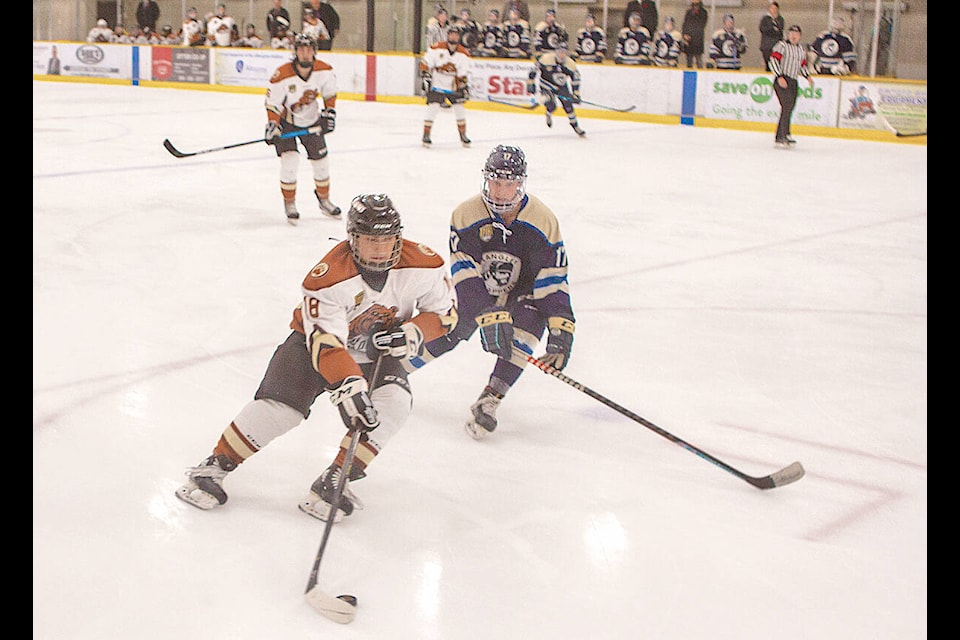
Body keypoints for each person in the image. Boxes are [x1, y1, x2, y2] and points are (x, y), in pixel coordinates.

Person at [175, 193, 458, 523]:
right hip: (313, 346)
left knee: (393, 403)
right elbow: (327, 344)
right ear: (353, 239)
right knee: (280, 410)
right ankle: (214, 465)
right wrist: (350, 387)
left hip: (373, 350)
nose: (380, 249)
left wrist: (411, 333)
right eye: (370, 240)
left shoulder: (425, 264)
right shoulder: (327, 278)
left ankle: (336, 478)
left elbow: (446, 315)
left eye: (387, 239)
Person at [402, 144, 576, 440]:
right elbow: (464, 271)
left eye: (507, 184)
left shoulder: (543, 221)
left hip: (522, 298)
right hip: (476, 293)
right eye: (495, 182)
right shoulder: (466, 214)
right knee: (450, 332)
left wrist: (561, 328)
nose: (498, 191)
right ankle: (394, 372)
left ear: (520, 184)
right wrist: (485, 311)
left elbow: (551, 278)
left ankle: (490, 398)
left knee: (524, 336)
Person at [264, 34, 340, 223]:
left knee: (321, 162)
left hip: (312, 121)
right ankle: (289, 203)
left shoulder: (324, 70)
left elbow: (330, 93)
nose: (305, 53)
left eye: (309, 49)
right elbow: (272, 103)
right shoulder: (282, 74)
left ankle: (324, 200)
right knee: (290, 160)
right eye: (301, 49)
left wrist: (329, 113)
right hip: (287, 123)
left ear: (314, 51)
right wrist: (273, 125)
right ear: (295, 52)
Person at [419, 24, 472, 148]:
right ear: (448, 35)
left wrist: (462, 85)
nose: (453, 36)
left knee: (459, 108)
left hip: (453, 86)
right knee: (433, 107)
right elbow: (425, 62)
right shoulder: (437, 48)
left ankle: (463, 135)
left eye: (456, 34)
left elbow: (463, 73)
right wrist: (426, 76)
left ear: (459, 37)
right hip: (437, 84)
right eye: (451, 34)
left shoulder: (463, 53)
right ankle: (426, 135)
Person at [527, 42, 586, 137]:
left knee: (568, 105)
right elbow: (533, 70)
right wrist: (531, 83)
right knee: (551, 104)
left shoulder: (570, 64)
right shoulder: (546, 59)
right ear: (556, 52)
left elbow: (576, 79)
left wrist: (576, 94)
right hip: (546, 85)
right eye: (560, 52)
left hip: (561, 87)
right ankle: (548, 112)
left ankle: (575, 126)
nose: (562, 54)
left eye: (564, 52)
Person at [769, 24, 813, 149]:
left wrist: (807, 76)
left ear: (800, 36)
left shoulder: (800, 50)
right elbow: (773, 61)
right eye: (791, 33)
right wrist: (779, 76)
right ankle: (785, 134)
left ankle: (780, 135)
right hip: (782, 79)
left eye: (796, 34)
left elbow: (802, 66)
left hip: (793, 81)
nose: (793, 36)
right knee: (787, 105)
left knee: (789, 107)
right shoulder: (782, 46)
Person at [681, 0, 708, 68]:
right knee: (689, 60)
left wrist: (692, 33)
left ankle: (700, 75)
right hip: (689, 40)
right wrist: (684, 34)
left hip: (697, 39)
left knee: (698, 59)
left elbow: (701, 25)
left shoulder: (703, 12)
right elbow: (685, 24)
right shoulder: (689, 12)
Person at [758, 2, 785, 71]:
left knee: (776, 66)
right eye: (772, 8)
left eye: (775, 8)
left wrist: (774, 25)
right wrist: (773, 27)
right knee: (768, 65)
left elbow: (779, 31)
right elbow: (763, 29)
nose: (773, 10)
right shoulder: (765, 19)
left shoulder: (780, 19)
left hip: (777, 47)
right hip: (767, 47)